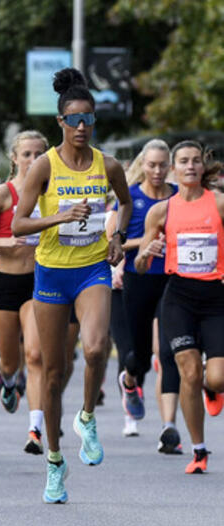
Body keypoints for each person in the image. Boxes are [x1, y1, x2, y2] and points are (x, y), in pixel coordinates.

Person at [13, 68, 131, 503]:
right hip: (51, 274)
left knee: (97, 347)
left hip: (91, 269)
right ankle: (55, 462)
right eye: (74, 120)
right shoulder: (44, 166)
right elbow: (17, 224)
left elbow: (126, 201)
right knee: (54, 369)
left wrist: (117, 237)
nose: (82, 127)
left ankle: (87, 418)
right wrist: (59, 217)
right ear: (60, 123)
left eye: (89, 119)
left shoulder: (108, 164)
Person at [135, 141, 224, 474]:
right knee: (188, 370)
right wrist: (147, 253)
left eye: (196, 161)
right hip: (179, 298)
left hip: (215, 297)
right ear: (174, 169)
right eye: (184, 161)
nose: (190, 166)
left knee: (215, 378)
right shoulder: (162, 211)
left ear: (203, 167)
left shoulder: (218, 203)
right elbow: (141, 266)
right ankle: (199, 450)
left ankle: (212, 388)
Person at [0, 131, 49, 454]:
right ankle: (7, 379)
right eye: (27, 154)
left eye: (39, 154)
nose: (33, 160)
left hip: (38, 283)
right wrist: (4, 242)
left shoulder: (52, 193)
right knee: (9, 361)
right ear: (14, 159)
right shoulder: (4, 193)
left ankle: (35, 429)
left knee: (35, 355)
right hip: (4, 284)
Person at [107, 140, 180, 450]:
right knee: (138, 358)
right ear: (143, 165)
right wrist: (146, 242)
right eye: (152, 165)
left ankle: (169, 429)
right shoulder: (131, 198)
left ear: (170, 167)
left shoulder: (179, 196)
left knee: (168, 353)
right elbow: (114, 242)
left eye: (163, 165)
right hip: (137, 279)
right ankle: (130, 381)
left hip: (172, 281)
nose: (157, 171)